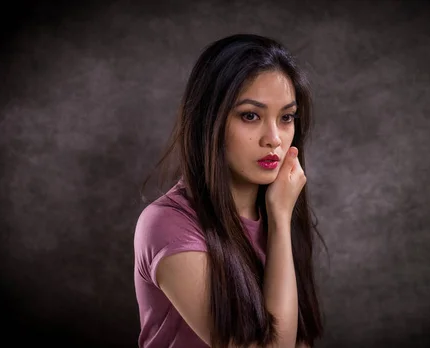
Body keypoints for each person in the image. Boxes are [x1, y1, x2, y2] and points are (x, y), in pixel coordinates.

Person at [134, 34, 326, 348]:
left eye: (286, 117)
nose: (274, 139)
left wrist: (277, 217)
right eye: (250, 116)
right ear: (209, 121)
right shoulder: (167, 225)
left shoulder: (274, 205)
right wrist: (279, 221)